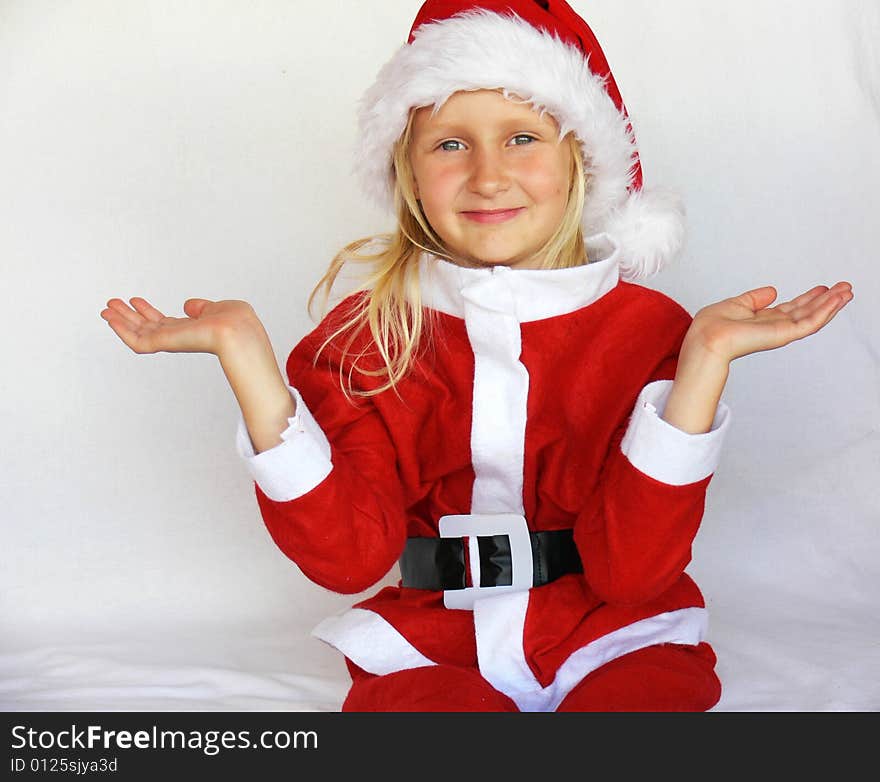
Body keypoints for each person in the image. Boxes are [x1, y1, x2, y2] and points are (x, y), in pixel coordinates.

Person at [100, 0, 853, 712]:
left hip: (613, 636)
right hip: (432, 646)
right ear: (411, 175)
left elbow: (633, 574)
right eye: (450, 143)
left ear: (580, 161)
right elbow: (347, 561)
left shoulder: (652, 330)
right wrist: (250, 365)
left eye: (522, 137)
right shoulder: (360, 339)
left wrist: (704, 363)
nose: (488, 176)